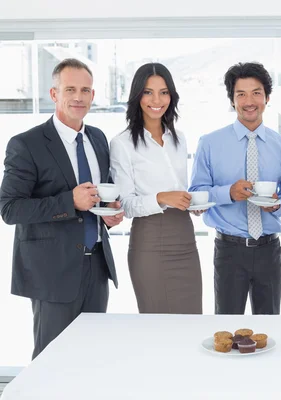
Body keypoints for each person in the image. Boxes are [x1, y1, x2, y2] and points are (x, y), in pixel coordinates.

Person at [0, 58, 124, 359]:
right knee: (51, 361)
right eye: (70, 89)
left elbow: (97, 196)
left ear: (93, 96)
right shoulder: (27, 144)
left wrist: (108, 213)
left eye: (85, 90)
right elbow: (9, 208)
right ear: (54, 94)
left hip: (96, 266)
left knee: (92, 356)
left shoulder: (97, 138)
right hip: (51, 272)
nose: (78, 97)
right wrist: (69, 202)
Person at [189, 62, 281, 315]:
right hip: (229, 251)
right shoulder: (209, 143)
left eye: (256, 93)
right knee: (225, 328)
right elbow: (195, 195)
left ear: (267, 98)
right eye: (241, 94)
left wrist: (280, 205)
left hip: (270, 250)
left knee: (269, 327)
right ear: (232, 100)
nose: (249, 101)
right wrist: (228, 193)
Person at [110, 63, 203, 314]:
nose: (156, 100)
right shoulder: (122, 143)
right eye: (148, 92)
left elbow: (179, 189)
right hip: (150, 242)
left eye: (163, 92)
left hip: (185, 237)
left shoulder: (179, 138)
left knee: (192, 321)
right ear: (137, 95)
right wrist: (162, 198)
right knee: (156, 326)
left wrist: (191, 203)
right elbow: (126, 205)